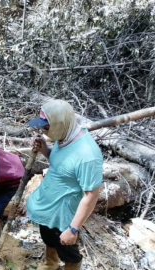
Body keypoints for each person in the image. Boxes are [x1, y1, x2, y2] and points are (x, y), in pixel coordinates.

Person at [26, 100, 103, 270]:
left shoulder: (87, 154)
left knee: (68, 252)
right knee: (49, 239)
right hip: (48, 209)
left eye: (46, 128)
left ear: (59, 124)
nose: (43, 131)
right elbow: (60, 164)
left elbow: (91, 196)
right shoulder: (65, 137)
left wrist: (73, 229)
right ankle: (50, 264)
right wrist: (44, 148)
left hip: (63, 216)